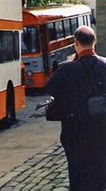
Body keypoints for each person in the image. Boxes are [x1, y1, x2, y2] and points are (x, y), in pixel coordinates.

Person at [46, 26, 106, 190]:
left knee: (77, 173)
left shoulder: (67, 68)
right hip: (101, 130)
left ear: (76, 43)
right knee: (101, 172)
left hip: (75, 132)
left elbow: (50, 88)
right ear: (94, 42)